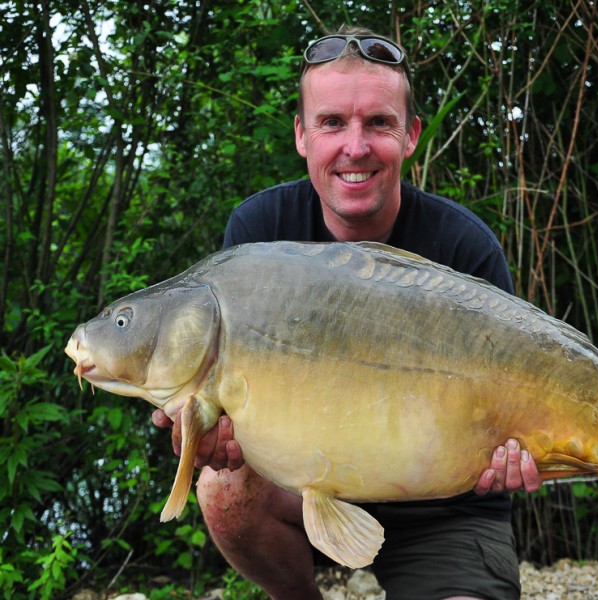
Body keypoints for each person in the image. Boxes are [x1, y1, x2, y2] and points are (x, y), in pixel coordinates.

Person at [152, 26, 542, 600]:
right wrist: (200, 435)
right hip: (301, 486)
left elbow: (516, 410)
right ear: (302, 136)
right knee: (223, 488)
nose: (354, 147)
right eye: (332, 122)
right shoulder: (256, 240)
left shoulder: (466, 248)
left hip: (445, 505)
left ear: (410, 136)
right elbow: (213, 420)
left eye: (378, 123)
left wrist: (521, 448)